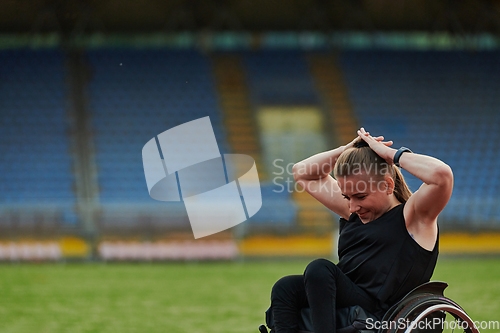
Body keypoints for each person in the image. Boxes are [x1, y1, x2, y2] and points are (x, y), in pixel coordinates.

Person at [268, 128, 453, 333]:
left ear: (387, 185)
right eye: (347, 197)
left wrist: (389, 154)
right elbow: (301, 172)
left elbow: (441, 175)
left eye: (360, 196)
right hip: (352, 299)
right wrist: (346, 151)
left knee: (320, 269)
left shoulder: (414, 217)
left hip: (386, 313)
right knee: (285, 288)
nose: (352, 207)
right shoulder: (355, 212)